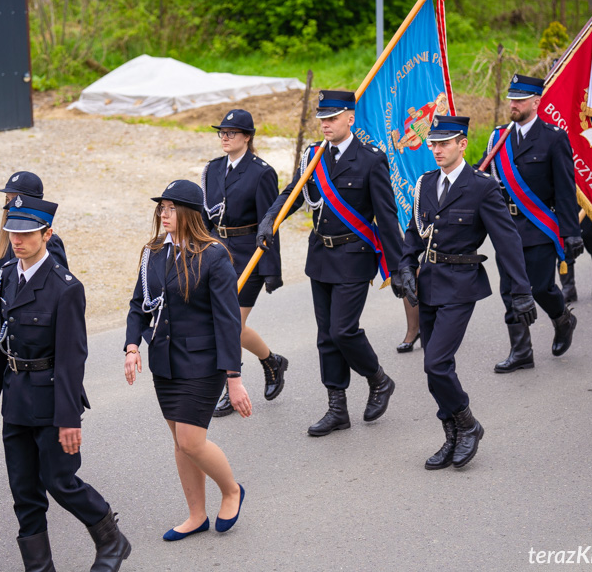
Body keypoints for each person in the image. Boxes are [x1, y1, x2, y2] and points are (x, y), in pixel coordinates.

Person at [0, 195, 129, 571]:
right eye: (12, 231)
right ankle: (40, 568)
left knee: (60, 481)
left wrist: (69, 419)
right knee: (24, 492)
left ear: (47, 234)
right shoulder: (6, 277)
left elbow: (71, 358)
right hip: (16, 398)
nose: (17, 239)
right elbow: (1, 337)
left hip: (50, 400)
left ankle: (111, 539)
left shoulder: (65, 287)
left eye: (27, 233)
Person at [257, 90, 403, 437]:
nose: (325, 124)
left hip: (354, 256)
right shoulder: (313, 156)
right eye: (322, 118)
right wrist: (270, 220)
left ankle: (378, 379)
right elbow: (292, 193)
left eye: (332, 118)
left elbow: (387, 215)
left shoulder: (370, 159)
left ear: (350, 118)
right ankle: (337, 408)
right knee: (326, 336)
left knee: (343, 330)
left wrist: (399, 267)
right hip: (321, 255)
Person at [397, 116, 537, 470]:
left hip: (461, 283)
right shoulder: (425, 183)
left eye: (445, 143)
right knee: (435, 369)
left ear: (462, 144)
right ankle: (452, 436)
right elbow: (415, 230)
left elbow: (507, 241)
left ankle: (468, 423)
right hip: (428, 281)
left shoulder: (482, 187)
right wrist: (403, 264)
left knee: (436, 362)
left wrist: (521, 290)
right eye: (433, 144)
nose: (437, 150)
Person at [125, 180, 247, 540]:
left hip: (202, 363)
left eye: (171, 207)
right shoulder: (153, 253)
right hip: (165, 361)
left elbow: (228, 320)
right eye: (161, 207)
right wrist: (132, 347)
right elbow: (138, 306)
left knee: (193, 441)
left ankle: (232, 490)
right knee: (180, 443)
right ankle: (196, 515)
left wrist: (234, 377)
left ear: (190, 213)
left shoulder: (213, 255)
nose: (164, 214)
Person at [480, 74, 584, 374]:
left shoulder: (553, 137)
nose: (513, 104)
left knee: (539, 287)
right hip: (506, 226)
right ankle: (521, 351)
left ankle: (562, 317)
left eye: (520, 99)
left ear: (537, 102)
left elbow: (565, 187)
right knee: (511, 289)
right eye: (512, 98)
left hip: (539, 225)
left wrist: (571, 233)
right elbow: (485, 175)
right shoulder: (499, 137)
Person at [201, 109, 288, 417]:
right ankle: (271, 360)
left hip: (249, 252)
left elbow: (270, 221)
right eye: (221, 133)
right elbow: (206, 215)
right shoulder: (212, 169)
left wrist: (270, 269)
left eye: (231, 133)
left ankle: (229, 387)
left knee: (230, 324)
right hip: (217, 251)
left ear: (247, 137)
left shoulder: (261, 172)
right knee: (226, 324)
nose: (225, 138)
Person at [0, 171, 67, 336]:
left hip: (34, 331)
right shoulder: (1, 240)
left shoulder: (49, 242)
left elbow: (58, 293)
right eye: (8, 200)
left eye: (16, 199)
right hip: (3, 329)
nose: (10, 206)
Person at [559, 216, 592, 302]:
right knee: (563, 237)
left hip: (585, 204)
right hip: (562, 204)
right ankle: (568, 287)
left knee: (589, 234)